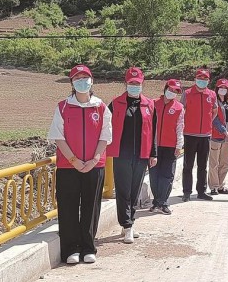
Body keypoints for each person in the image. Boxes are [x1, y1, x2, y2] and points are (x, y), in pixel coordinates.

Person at [48, 64, 112, 264]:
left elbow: (105, 135)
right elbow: (58, 137)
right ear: (72, 83)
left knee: (90, 207)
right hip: (69, 166)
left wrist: (93, 159)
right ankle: (71, 249)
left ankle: (88, 247)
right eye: (77, 78)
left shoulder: (100, 107)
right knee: (68, 208)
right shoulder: (63, 107)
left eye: (85, 77)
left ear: (92, 81)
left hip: (95, 165)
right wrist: (75, 161)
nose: (82, 81)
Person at [107, 67, 156, 244]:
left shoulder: (149, 105)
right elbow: (106, 127)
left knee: (135, 191)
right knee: (123, 191)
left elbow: (153, 131)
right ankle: (127, 225)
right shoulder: (115, 103)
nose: (134, 86)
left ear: (142, 83)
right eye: (131, 83)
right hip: (121, 154)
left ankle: (130, 222)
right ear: (125, 83)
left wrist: (153, 153)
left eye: (137, 83)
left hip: (142, 155)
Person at [181, 69, 222, 202]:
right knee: (188, 165)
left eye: (205, 80)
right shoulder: (187, 94)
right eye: (200, 78)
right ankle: (186, 192)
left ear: (208, 81)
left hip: (205, 135)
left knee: (202, 165)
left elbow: (215, 110)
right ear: (195, 79)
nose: (202, 81)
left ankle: (201, 191)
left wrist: (207, 122)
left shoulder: (211, 95)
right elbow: (181, 111)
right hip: (189, 134)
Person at [150, 78, 184, 214]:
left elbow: (180, 127)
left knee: (167, 175)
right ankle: (156, 201)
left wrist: (179, 145)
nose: (172, 92)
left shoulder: (179, 108)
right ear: (165, 88)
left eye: (175, 91)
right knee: (154, 174)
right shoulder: (153, 104)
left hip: (170, 146)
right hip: (154, 146)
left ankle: (163, 202)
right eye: (170, 89)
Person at [209, 78, 228, 195]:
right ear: (217, 89)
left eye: (225, 88)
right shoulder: (213, 102)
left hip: (227, 137)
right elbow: (214, 119)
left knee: (225, 162)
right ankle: (213, 186)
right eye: (221, 87)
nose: (223, 90)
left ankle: (221, 185)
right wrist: (224, 131)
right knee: (214, 163)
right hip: (216, 135)